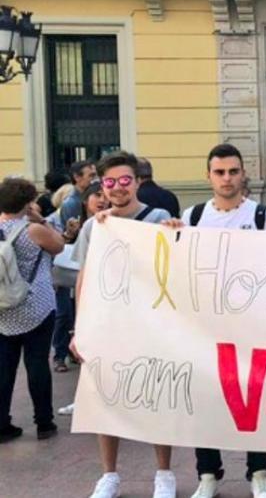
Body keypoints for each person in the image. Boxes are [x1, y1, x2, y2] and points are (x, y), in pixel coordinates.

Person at [71, 151, 176, 498]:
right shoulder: (94, 225)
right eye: (111, 182)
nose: (118, 188)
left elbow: (176, 261)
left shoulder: (158, 216)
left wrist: (176, 232)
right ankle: (109, 475)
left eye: (125, 180)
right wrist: (79, 327)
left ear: (137, 182)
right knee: (105, 398)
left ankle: (164, 473)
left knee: (157, 397)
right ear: (103, 185)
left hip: (151, 323)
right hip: (108, 324)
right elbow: (83, 276)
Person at [182, 145, 266, 498]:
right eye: (220, 172)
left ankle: (259, 472)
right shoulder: (192, 217)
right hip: (205, 328)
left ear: (243, 174)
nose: (227, 178)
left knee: (254, 399)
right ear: (208, 175)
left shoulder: (263, 217)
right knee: (207, 400)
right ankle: (208, 475)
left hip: (252, 326)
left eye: (233, 171)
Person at [0, 177, 65, 445]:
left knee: (4, 367)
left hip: (2, 308)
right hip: (35, 305)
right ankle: (44, 422)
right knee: (37, 363)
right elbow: (59, 246)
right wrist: (41, 219)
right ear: (28, 203)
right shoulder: (32, 230)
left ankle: (2, 424)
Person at [46, 181, 106, 372]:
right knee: (64, 315)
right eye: (97, 195)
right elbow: (57, 246)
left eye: (105, 195)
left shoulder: (110, 223)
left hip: (95, 283)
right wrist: (69, 233)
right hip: (69, 278)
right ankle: (60, 355)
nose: (102, 200)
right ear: (86, 199)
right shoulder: (77, 221)